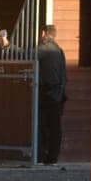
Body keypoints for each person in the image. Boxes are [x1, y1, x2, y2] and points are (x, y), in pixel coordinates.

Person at [36, 24, 67, 164]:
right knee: (55, 127)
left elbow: (26, 54)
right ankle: (52, 157)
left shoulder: (46, 48)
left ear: (43, 33)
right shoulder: (59, 50)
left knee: (42, 125)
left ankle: (42, 156)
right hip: (58, 94)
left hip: (47, 94)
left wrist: (8, 46)